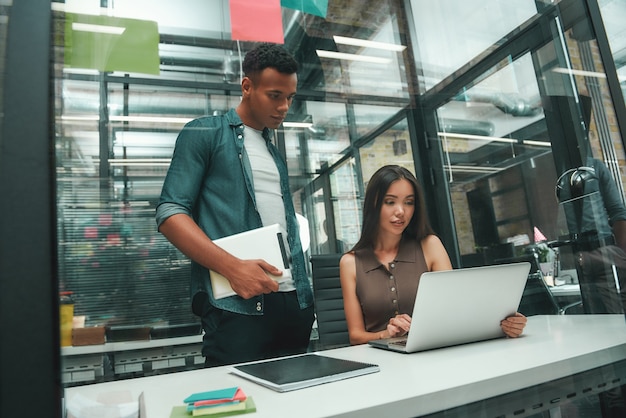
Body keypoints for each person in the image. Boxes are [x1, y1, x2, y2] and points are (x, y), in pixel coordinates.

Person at [155, 43, 314, 367]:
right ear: (246, 86)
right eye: (274, 95)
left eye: (290, 97)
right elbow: (170, 213)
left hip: (293, 303)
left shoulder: (274, 152)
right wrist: (231, 268)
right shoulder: (204, 133)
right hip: (238, 304)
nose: (284, 107)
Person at [339, 165, 527, 345]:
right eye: (390, 202)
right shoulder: (350, 263)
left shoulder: (430, 246)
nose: (401, 211)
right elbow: (356, 336)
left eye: (409, 202)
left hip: (431, 357)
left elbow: (456, 308)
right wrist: (386, 335)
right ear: (373, 204)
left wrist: (503, 322)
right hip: (379, 364)